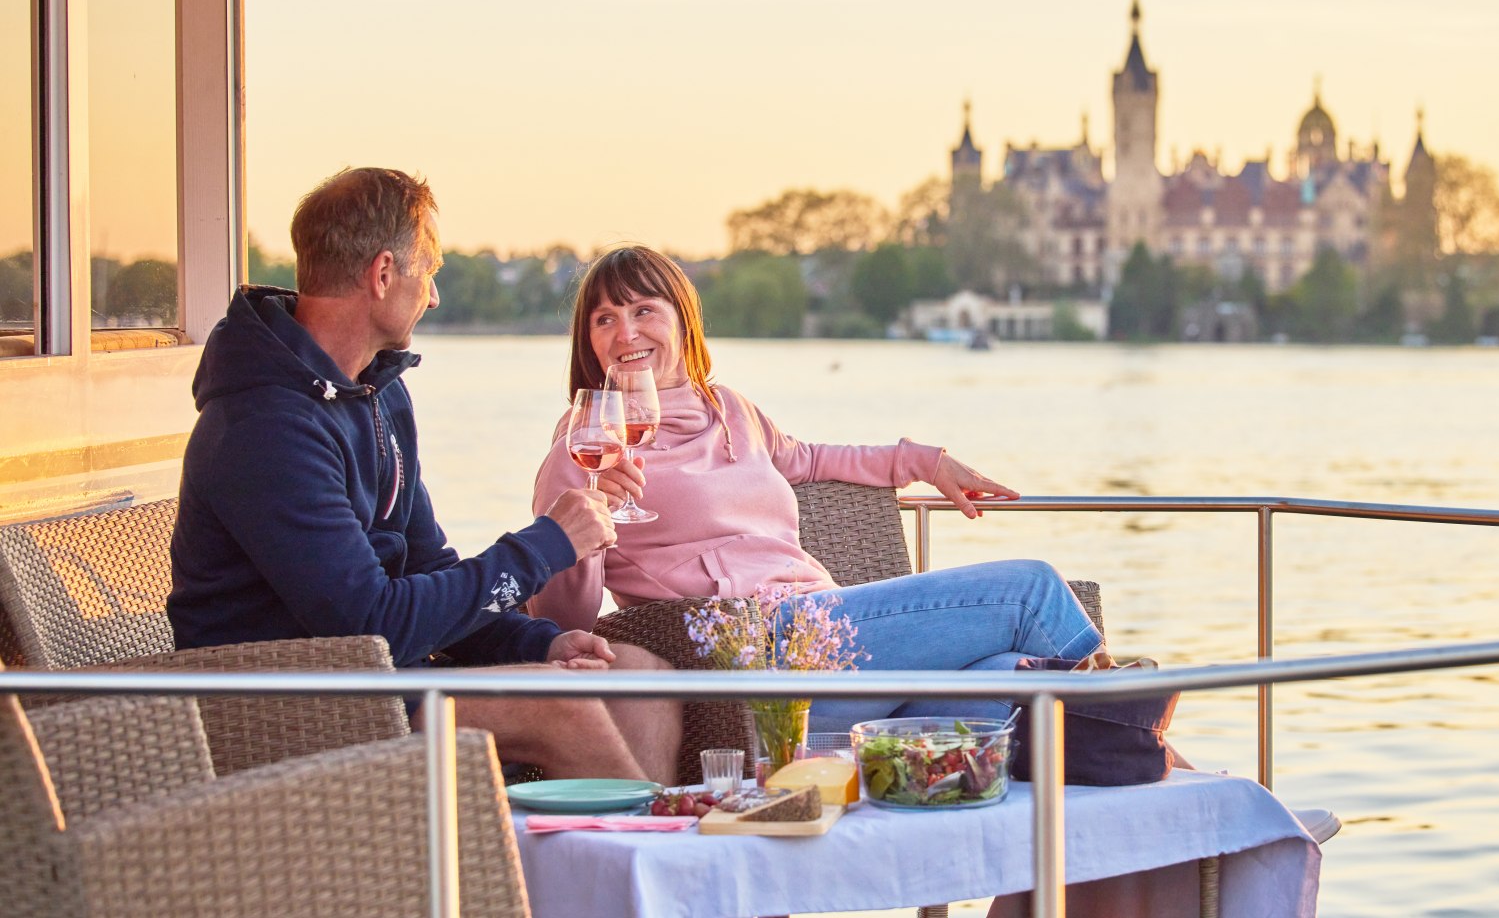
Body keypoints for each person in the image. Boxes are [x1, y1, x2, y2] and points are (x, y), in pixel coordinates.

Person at [169, 168, 680, 783]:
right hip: (289, 703)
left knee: (638, 676)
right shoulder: (265, 427)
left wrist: (536, 643)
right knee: (562, 703)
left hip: (385, 676)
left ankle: (615, 857)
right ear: (384, 275)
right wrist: (547, 544)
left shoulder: (378, 394)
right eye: (429, 270)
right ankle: (636, 857)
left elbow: (427, 568)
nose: (434, 295)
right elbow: (370, 623)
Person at [529, 244, 1107, 734]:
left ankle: (1140, 766)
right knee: (1031, 590)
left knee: (1014, 677)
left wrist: (925, 462)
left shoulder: (728, 408)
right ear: (589, 342)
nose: (625, 332)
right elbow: (561, 617)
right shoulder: (583, 448)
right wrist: (589, 513)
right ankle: (1166, 763)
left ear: (682, 318)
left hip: (825, 634)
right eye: (604, 319)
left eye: (643, 310)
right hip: (761, 659)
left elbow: (809, 459)